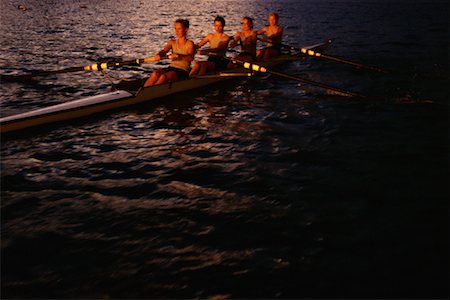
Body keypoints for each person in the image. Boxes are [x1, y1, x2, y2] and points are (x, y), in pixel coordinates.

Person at [144, 19, 194, 87]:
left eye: (179, 29)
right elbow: (164, 51)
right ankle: (144, 91)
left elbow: (191, 58)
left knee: (164, 77)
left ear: (186, 29)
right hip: (172, 67)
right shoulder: (172, 42)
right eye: (175, 28)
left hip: (183, 71)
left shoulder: (190, 43)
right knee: (155, 73)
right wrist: (159, 55)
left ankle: (152, 93)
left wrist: (179, 56)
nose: (176, 31)